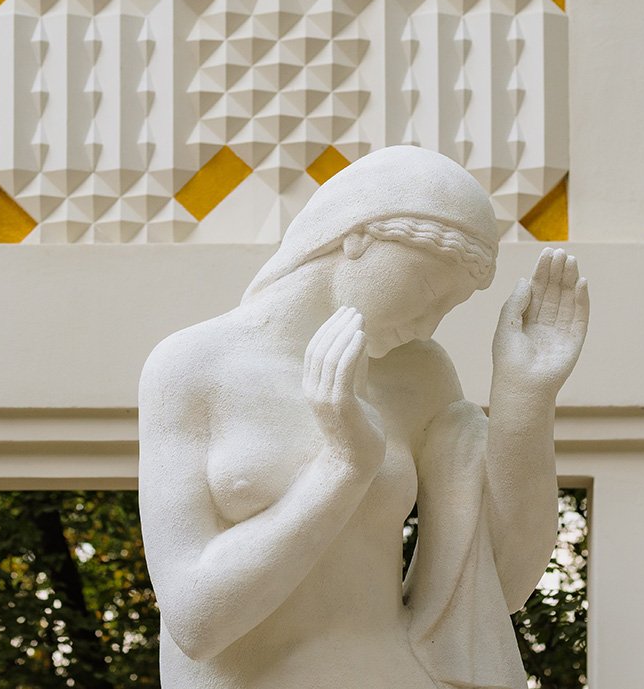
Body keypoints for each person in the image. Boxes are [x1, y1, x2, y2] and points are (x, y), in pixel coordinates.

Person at [137, 145, 589, 688]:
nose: (428, 325)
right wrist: (344, 467)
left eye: (449, 308)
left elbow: (499, 581)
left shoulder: (419, 375)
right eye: (427, 289)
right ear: (355, 237)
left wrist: (526, 399)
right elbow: (197, 621)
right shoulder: (193, 365)